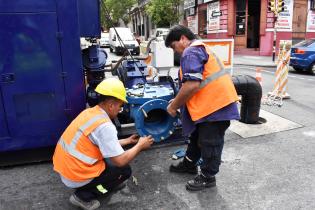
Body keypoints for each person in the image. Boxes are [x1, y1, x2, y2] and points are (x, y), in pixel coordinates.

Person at [53, 78, 154, 210]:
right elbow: (120, 160)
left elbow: (102, 143)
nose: (120, 109)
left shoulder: (90, 112)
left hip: (67, 168)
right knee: (124, 171)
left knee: (110, 163)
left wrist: (128, 141)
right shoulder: (105, 126)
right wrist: (140, 146)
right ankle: (84, 196)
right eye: (120, 105)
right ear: (111, 105)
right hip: (77, 175)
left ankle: (104, 183)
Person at [165, 25, 240, 191]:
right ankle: (189, 165)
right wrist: (177, 99)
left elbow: (192, 84)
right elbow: (192, 84)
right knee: (196, 138)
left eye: (173, 46)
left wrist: (174, 106)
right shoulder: (199, 48)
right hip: (210, 105)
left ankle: (208, 177)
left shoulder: (191, 51)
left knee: (210, 142)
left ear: (183, 38)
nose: (175, 51)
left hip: (215, 106)